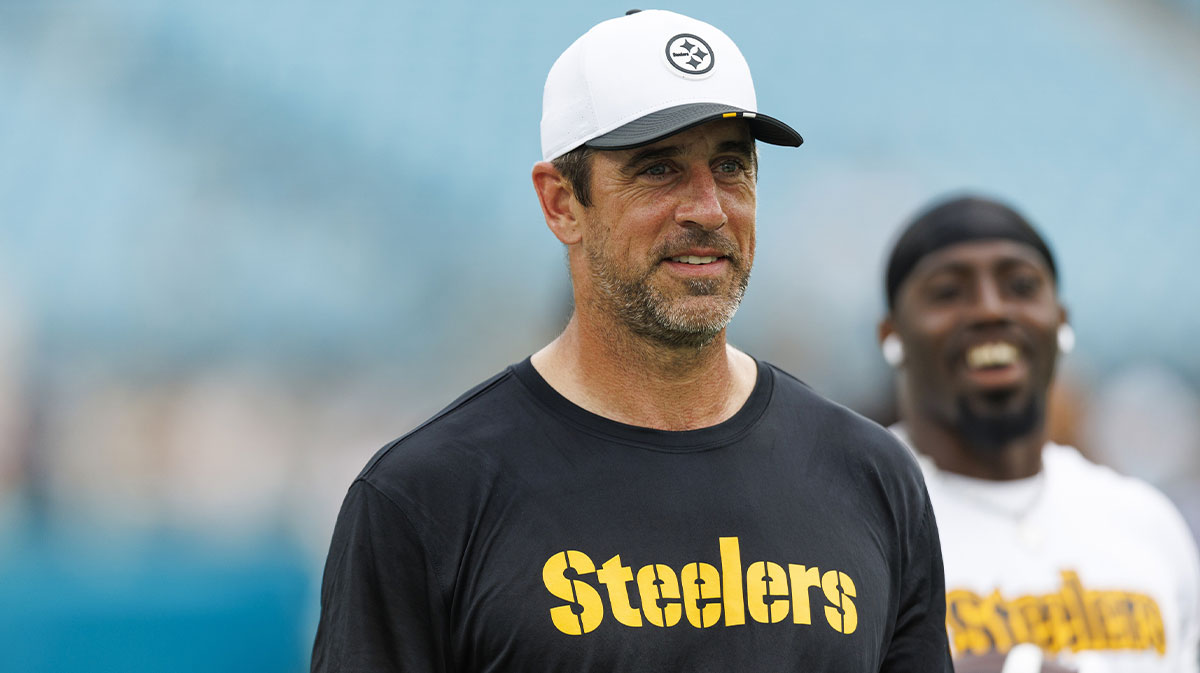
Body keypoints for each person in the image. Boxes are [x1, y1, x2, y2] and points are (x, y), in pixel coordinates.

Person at [312, 10, 952, 671]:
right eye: (659, 170)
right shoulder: (427, 496)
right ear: (561, 202)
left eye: (731, 165)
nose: (708, 208)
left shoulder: (870, 475)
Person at [877, 194, 1200, 673]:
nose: (990, 310)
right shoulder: (859, 515)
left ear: (1062, 322)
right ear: (892, 335)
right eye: (948, 292)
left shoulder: (1145, 522)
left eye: (1021, 286)